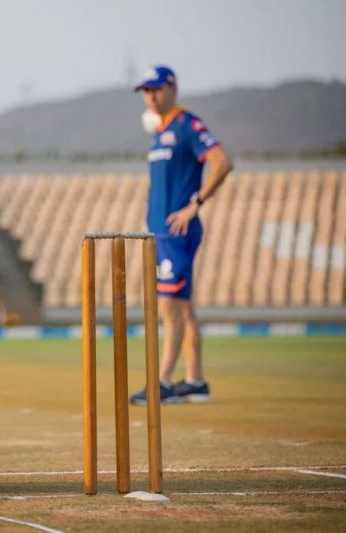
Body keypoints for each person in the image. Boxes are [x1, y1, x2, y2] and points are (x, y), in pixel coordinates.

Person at [129, 66, 233, 405]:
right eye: (146, 90)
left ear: (173, 88)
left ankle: (162, 382)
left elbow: (221, 161)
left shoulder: (188, 125)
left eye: (157, 89)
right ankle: (196, 380)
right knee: (184, 309)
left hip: (178, 232)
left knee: (169, 308)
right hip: (161, 233)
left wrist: (195, 204)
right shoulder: (160, 131)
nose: (151, 95)